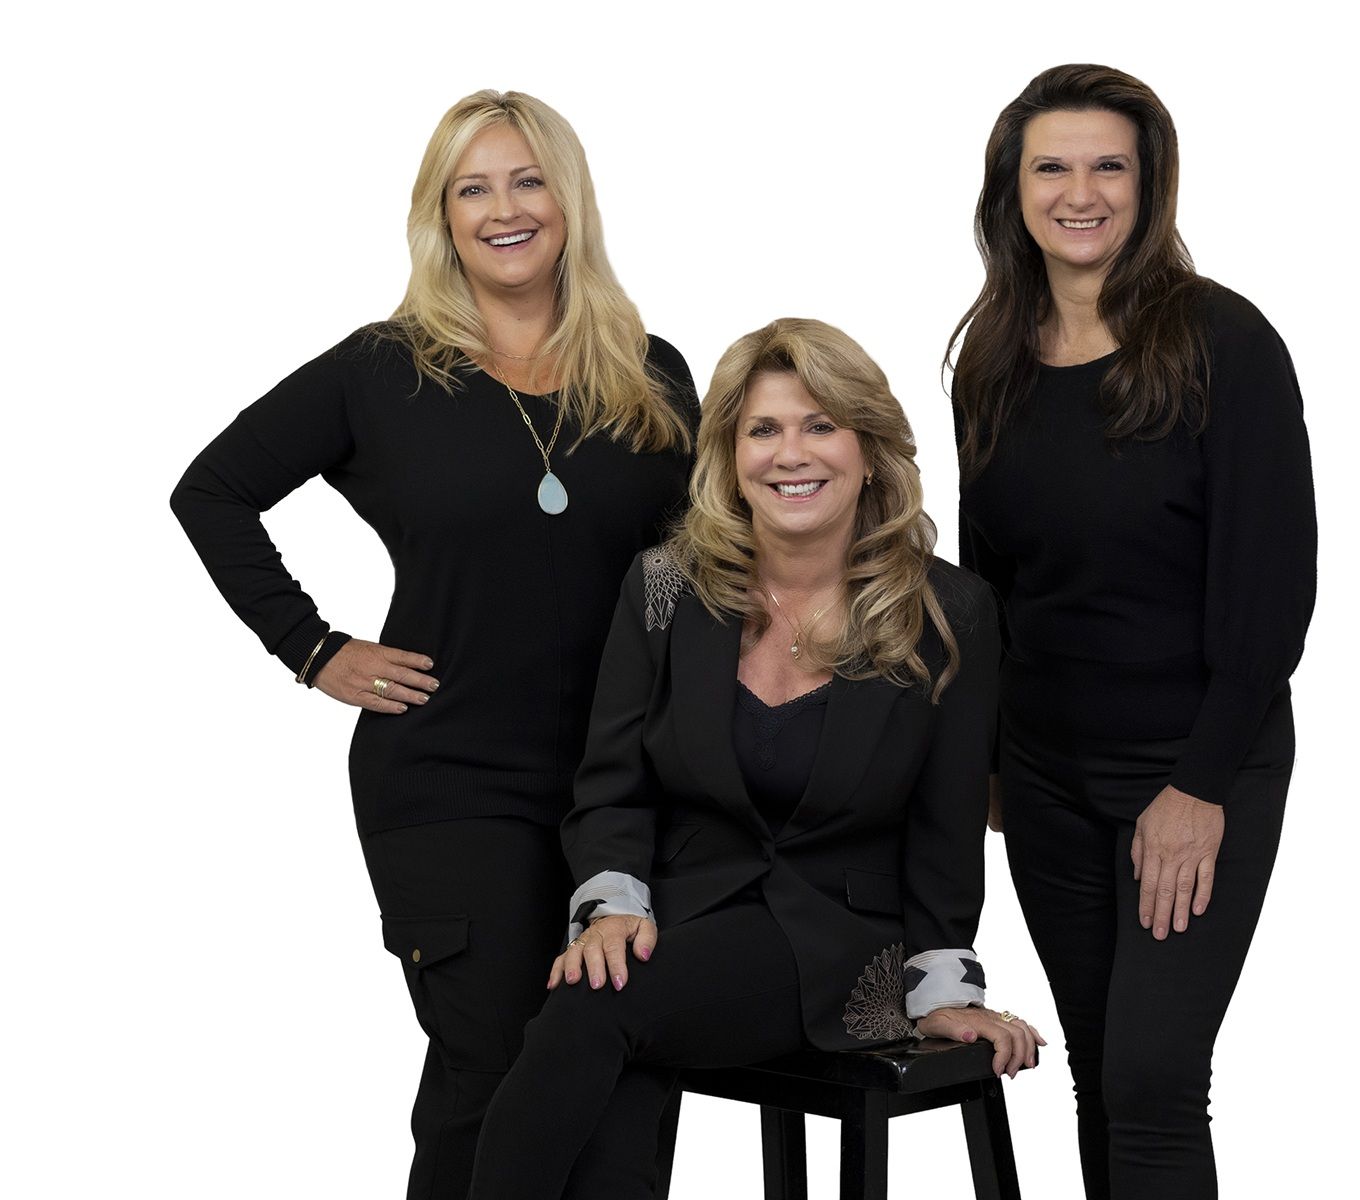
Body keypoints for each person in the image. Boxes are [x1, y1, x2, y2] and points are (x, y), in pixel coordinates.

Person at [169, 90, 699, 1200]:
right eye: (473, 188)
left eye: (526, 180)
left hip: (629, 788)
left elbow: (702, 569)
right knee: (496, 1075)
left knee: (629, 1078)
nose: (504, 209)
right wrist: (311, 648)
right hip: (453, 782)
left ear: (569, 199)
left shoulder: (650, 373)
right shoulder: (384, 370)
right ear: (441, 217)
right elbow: (211, 491)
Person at [466, 318, 1042, 1199]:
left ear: (868, 447)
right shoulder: (665, 585)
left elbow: (947, 825)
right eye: (763, 429)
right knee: (614, 1067)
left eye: (821, 425)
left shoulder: (949, 610)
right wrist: (612, 904)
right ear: (729, 455)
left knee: (595, 1012)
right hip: (681, 915)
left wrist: (943, 985)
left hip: (844, 942)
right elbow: (612, 778)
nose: (791, 454)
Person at [949, 65, 1317, 1199]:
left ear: (1148, 185)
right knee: (1104, 1074)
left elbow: (1272, 591)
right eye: (1050, 165)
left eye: (1108, 164)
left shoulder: (1223, 342)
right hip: (1050, 778)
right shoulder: (993, 361)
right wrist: (993, 760)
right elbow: (989, 585)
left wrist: (1198, 784)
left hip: (1196, 764)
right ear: (1011, 189)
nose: (1080, 192)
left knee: (1155, 1080)